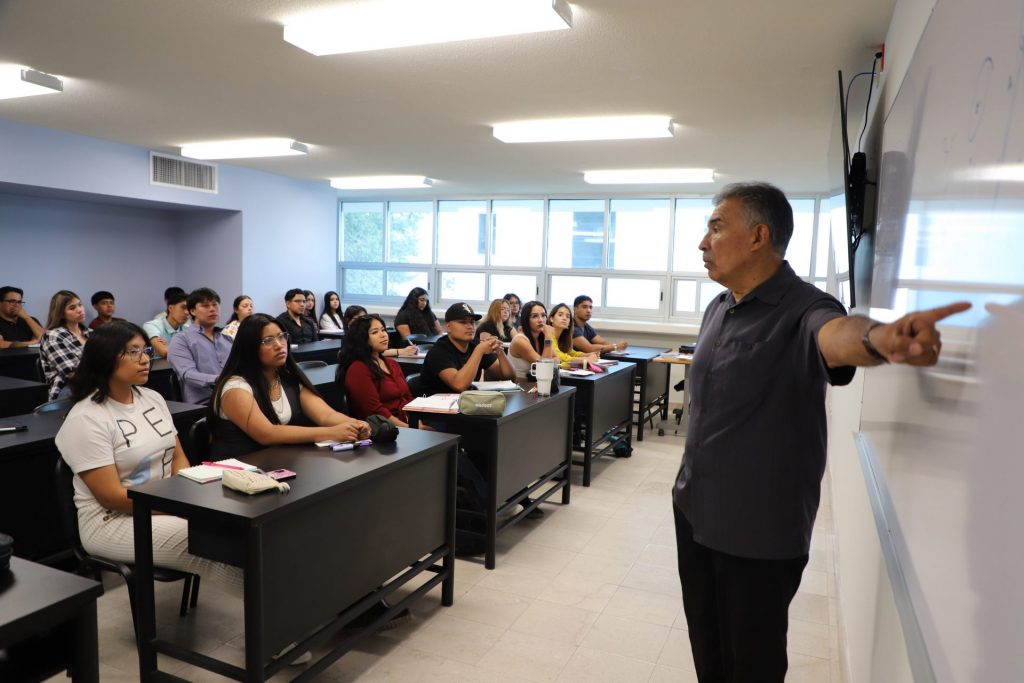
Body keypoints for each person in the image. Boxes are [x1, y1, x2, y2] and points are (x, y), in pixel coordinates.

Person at [672, 182, 970, 682]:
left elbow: (836, 335)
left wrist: (880, 339)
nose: (704, 242)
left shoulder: (805, 306)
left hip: (757, 534)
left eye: (716, 227)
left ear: (758, 236)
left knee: (753, 665)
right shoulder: (718, 307)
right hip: (693, 512)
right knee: (708, 650)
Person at [54, 322, 244, 598]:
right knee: (213, 542)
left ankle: (281, 608)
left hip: (162, 504)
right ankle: (274, 616)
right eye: (133, 352)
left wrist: (183, 497)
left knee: (240, 526)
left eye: (146, 351)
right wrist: (176, 507)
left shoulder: (152, 398)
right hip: (111, 522)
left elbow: (177, 455)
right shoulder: (86, 419)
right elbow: (111, 497)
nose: (145, 359)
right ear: (105, 358)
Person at [207, 314, 370, 459]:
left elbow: (325, 415)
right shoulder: (236, 388)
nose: (279, 345)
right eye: (268, 341)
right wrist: (331, 433)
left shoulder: (287, 379)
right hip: (237, 468)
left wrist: (355, 424)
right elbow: (267, 434)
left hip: (274, 461)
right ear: (250, 348)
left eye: (281, 337)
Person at [419, 302, 514, 395]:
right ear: (448, 327)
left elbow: (509, 377)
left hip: (465, 402)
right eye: (463, 322)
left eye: (472, 322)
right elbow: (459, 385)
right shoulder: (439, 351)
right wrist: (479, 351)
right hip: (432, 403)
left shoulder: (475, 345)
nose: (470, 326)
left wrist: (499, 351)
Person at [338, 314, 414, 427]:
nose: (383, 335)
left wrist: (418, 422)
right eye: (375, 332)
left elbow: (408, 397)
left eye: (383, 330)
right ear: (361, 338)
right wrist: (410, 428)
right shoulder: (358, 369)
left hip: (408, 422)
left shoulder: (392, 364)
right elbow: (375, 411)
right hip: (384, 429)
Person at [167, 287, 232, 405]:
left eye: (215, 305)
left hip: (234, 396)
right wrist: (220, 379)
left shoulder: (227, 339)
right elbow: (188, 374)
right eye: (205, 306)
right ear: (192, 311)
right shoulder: (181, 339)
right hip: (205, 404)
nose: (212, 309)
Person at [40, 290, 90, 400]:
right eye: (72, 308)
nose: (80, 310)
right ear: (61, 314)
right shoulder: (53, 336)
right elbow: (73, 373)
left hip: (97, 383)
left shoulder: (91, 333)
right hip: (68, 389)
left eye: (80, 305)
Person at [507, 301, 556, 379]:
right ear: (526, 319)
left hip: (536, 382)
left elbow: (557, 359)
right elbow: (544, 367)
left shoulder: (541, 336)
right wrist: (548, 338)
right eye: (535, 316)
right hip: (520, 383)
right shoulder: (520, 340)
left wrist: (546, 360)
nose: (541, 320)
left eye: (543, 315)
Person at [143, 290, 189, 358]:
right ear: (170, 308)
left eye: (189, 309)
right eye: (183, 307)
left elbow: (199, 351)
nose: (187, 312)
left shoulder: (188, 329)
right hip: (158, 365)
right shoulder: (151, 326)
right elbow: (164, 351)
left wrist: (169, 347)